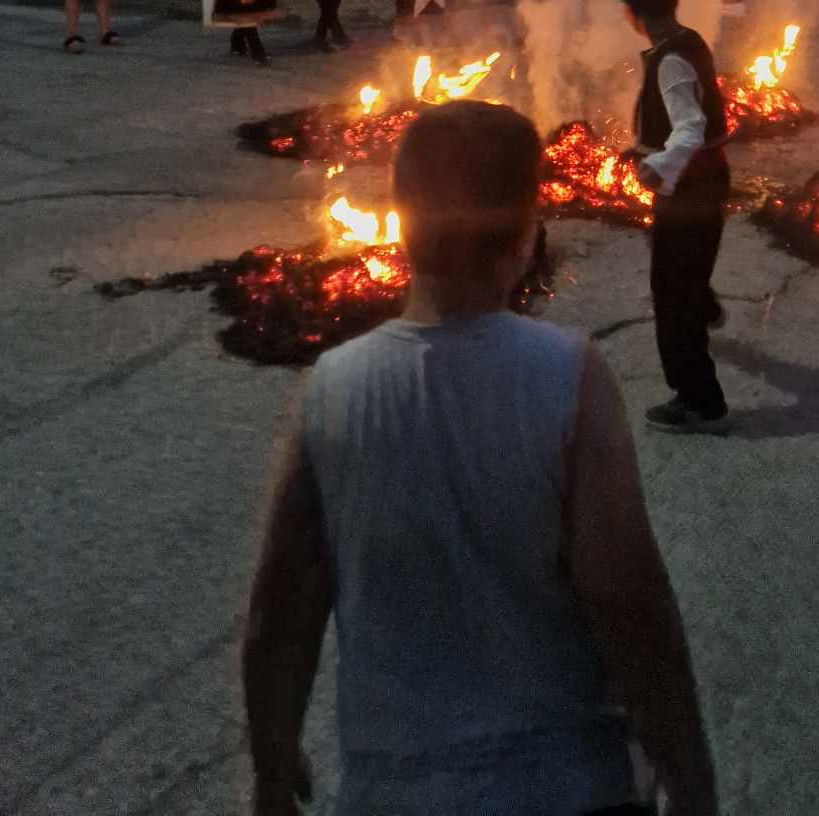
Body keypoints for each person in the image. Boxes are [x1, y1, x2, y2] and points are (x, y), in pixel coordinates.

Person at [242, 100, 719, 816]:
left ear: (402, 224)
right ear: (526, 238)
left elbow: (280, 616)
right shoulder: (569, 376)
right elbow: (628, 599)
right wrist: (687, 772)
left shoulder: (331, 390)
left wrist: (272, 766)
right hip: (565, 787)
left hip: (392, 794)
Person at [618, 0, 731, 436]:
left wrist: (657, 165)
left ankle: (700, 402)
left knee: (671, 297)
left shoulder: (670, 62)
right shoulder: (686, 41)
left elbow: (690, 128)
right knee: (685, 265)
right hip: (704, 183)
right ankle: (701, 298)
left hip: (687, 188)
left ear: (633, 13)